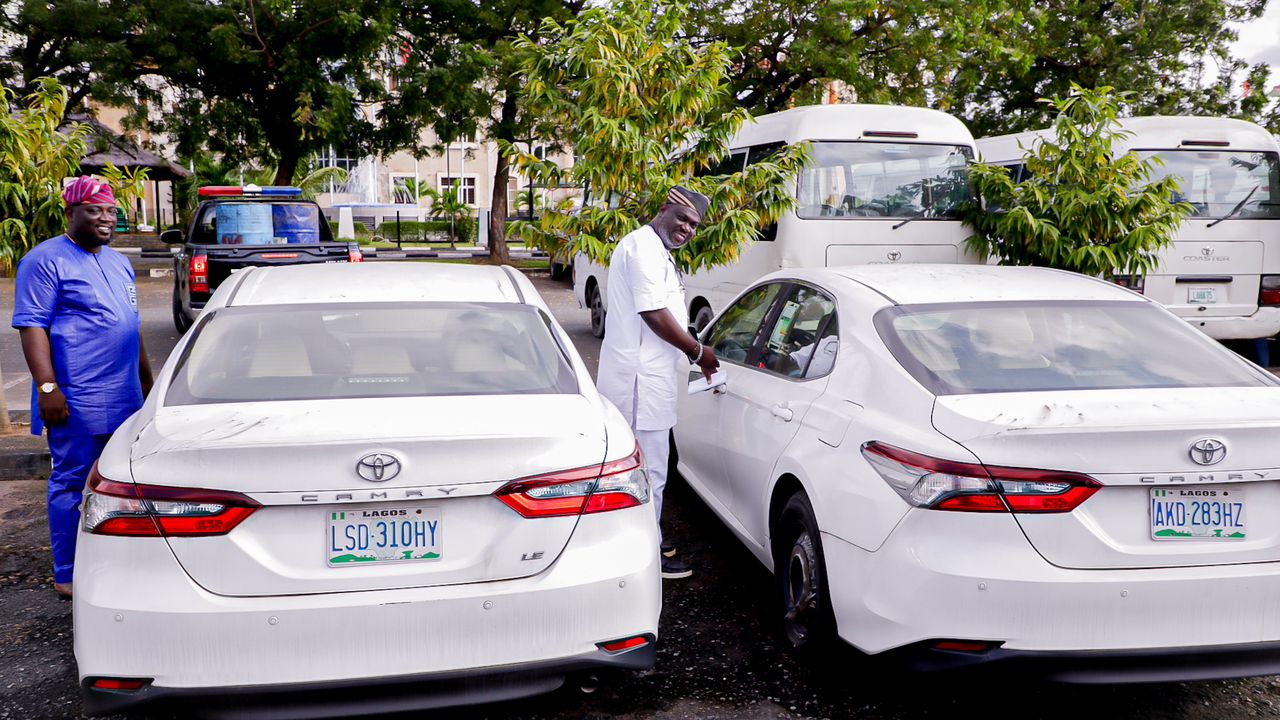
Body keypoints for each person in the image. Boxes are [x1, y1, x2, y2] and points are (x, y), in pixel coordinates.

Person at [12, 177, 153, 599]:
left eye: (110, 211)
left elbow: (131, 325)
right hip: (77, 396)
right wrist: (47, 387)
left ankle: (120, 563)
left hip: (125, 395)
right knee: (73, 481)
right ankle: (69, 572)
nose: (105, 218)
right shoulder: (44, 260)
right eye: (94, 211)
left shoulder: (118, 262)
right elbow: (32, 325)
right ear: (70, 213)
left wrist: (148, 381)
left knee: (125, 483)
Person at [596, 186, 720, 580]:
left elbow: (666, 311)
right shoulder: (644, 248)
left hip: (648, 379)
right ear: (664, 209)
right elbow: (653, 312)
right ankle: (645, 559)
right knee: (647, 474)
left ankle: (646, 537)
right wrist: (697, 352)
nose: (688, 229)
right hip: (640, 384)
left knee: (642, 471)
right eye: (682, 219)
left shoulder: (655, 249)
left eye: (694, 225)